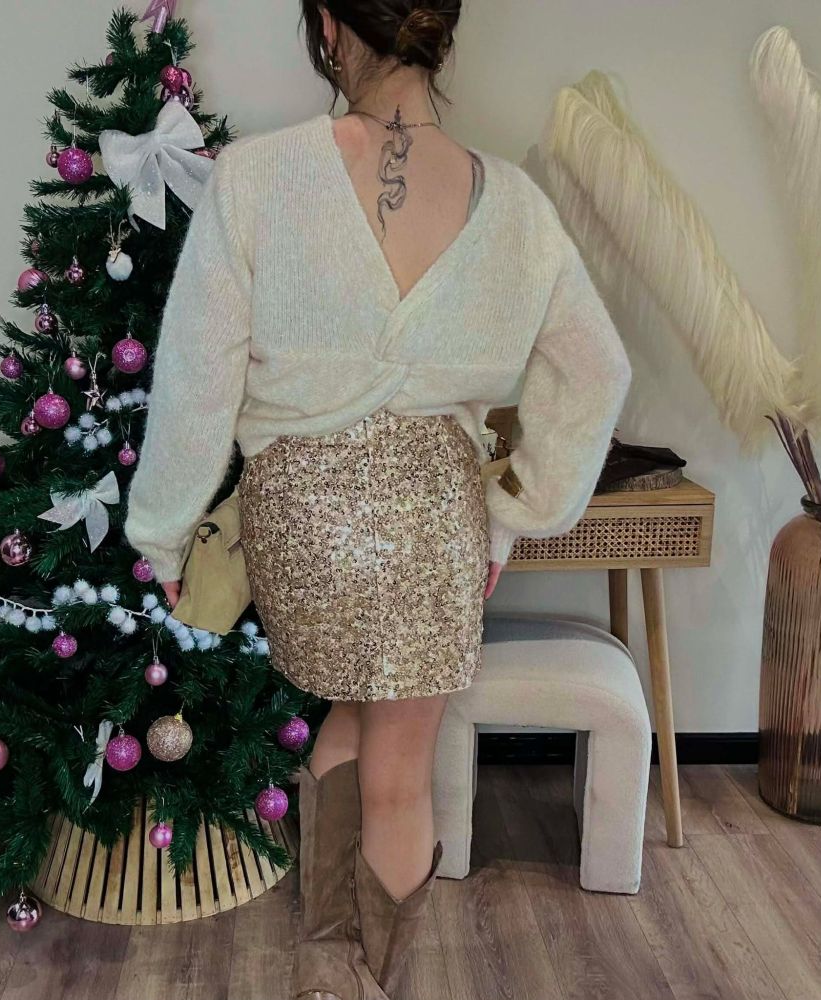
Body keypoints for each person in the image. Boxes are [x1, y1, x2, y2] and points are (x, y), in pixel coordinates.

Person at [123, 3, 633, 997]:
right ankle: (363, 982)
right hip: (434, 518)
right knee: (403, 767)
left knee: (349, 724)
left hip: (300, 519)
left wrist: (166, 533)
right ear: (440, 30)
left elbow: (194, 380)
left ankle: (327, 971)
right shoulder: (515, 204)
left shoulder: (257, 177)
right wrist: (518, 508)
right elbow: (596, 369)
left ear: (327, 25)